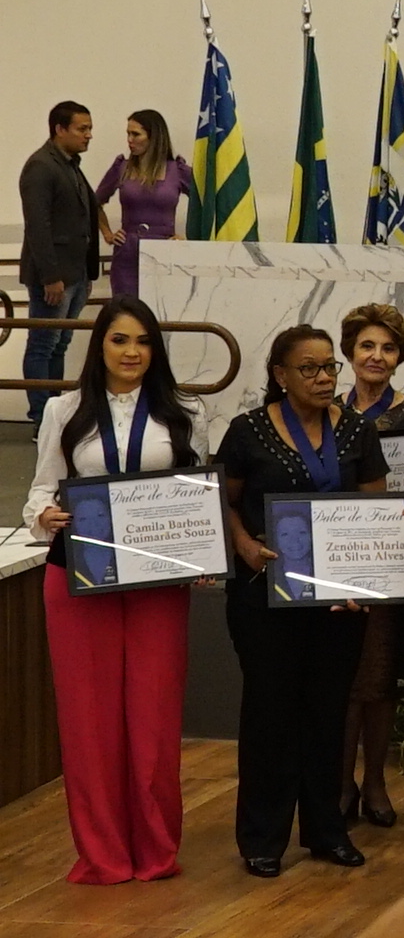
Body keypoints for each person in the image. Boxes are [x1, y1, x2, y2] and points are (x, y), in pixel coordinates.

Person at [22, 298, 202, 883]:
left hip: (156, 583)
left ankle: (156, 853)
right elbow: (42, 487)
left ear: (156, 349)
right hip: (77, 575)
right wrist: (44, 515)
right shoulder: (64, 410)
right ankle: (103, 855)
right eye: (120, 340)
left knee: (152, 719)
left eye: (144, 341)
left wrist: (202, 552)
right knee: (88, 722)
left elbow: (195, 494)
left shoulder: (185, 411)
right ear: (99, 345)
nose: (132, 352)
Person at [218, 324, 391, 877]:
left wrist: (363, 582)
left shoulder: (358, 431)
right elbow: (220, 502)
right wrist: (243, 544)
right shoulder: (247, 432)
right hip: (263, 596)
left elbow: (374, 515)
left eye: (329, 367)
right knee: (270, 713)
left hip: (337, 605)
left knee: (328, 712)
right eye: (309, 368)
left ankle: (326, 831)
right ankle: (263, 839)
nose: (322, 377)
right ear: (280, 376)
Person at [337, 302, 404, 832]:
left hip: (398, 560)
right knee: (343, 678)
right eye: (367, 347)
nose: (376, 356)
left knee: (379, 677)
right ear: (349, 353)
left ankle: (375, 780)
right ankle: (339, 783)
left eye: (388, 348)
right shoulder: (326, 410)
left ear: (400, 357)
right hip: (338, 559)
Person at [19, 100, 99, 423]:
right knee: (42, 344)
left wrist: (87, 273)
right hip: (54, 277)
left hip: (76, 274)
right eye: (83, 129)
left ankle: (55, 412)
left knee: (60, 344)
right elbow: (38, 226)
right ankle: (42, 417)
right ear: (59, 129)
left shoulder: (69, 164)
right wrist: (50, 276)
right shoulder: (41, 166)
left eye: (90, 128)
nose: (89, 135)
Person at [89, 109, 191, 302]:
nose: (130, 140)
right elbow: (94, 203)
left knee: (163, 311)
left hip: (165, 252)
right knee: (127, 310)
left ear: (154, 136)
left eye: (136, 134)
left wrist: (187, 238)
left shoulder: (177, 170)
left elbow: (206, 205)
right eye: (128, 134)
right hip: (127, 254)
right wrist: (108, 234)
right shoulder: (122, 167)